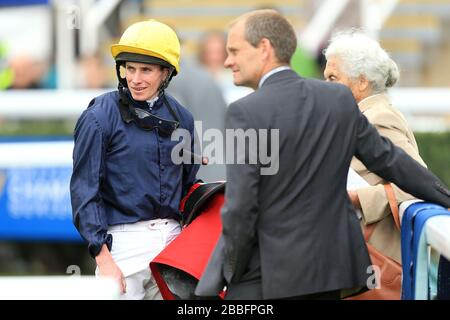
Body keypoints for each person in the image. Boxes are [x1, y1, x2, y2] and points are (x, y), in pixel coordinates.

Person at [195, 9, 450, 300]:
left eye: (234, 51)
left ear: (264, 48)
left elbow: (241, 207)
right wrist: (446, 197)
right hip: (330, 275)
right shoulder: (337, 98)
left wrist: (229, 272)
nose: (228, 60)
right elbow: (393, 162)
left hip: (269, 276)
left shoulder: (244, 112)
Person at [70, 19, 199, 300]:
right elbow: (84, 191)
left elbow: (189, 186)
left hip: (174, 243)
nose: (136, 79)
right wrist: (103, 259)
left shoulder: (183, 118)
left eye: (146, 70)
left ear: (166, 73)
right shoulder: (99, 116)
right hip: (123, 246)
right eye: (130, 69)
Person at [323, 30, 427, 264]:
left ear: (362, 81)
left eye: (332, 78)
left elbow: (418, 183)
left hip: (378, 259)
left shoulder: (378, 118)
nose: (325, 86)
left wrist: (357, 198)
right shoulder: (363, 116)